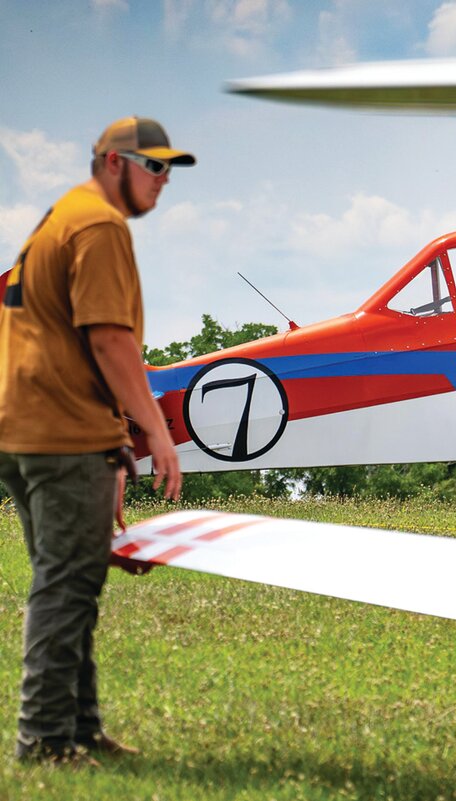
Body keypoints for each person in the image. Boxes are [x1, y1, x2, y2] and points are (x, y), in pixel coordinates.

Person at [0, 117, 187, 765]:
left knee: (71, 574)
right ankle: (44, 739)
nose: (164, 182)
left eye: (169, 170)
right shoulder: (101, 225)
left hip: (31, 429)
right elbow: (109, 340)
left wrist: (113, 447)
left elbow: (71, 341)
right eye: (154, 167)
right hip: (58, 432)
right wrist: (156, 433)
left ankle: (79, 727)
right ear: (114, 162)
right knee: (67, 582)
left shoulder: (63, 215)